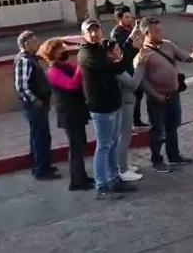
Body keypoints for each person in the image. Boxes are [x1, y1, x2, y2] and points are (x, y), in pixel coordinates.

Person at [78, 19, 137, 199]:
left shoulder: (100, 48)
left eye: (97, 30)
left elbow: (115, 59)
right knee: (103, 146)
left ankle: (114, 179)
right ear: (84, 35)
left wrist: (122, 48)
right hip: (101, 106)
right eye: (90, 31)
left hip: (113, 102)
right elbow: (112, 65)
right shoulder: (87, 53)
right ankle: (101, 185)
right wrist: (126, 52)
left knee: (112, 144)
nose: (94, 34)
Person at [138, 16, 193, 173]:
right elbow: (141, 80)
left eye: (160, 29)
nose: (160, 32)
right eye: (156, 31)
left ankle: (174, 156)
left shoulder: (168, 45)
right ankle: (156, 160)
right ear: (147, 33)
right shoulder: (142, 53)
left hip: (173, 94)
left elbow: (187, 58)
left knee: (173, 126)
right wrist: (155, 95)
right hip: (157, 98)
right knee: (157, 129)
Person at [39, 39, 93, 190]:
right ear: (52, 53)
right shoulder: (52, 71)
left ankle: (82, 175)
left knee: (80, 144)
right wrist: (80, 68)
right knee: (75, 147)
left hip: (77, 109)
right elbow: (71, 84)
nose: (63, 51)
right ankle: (77, 180)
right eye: (59, 49)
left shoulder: (65, 66)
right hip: (68, 112)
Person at [14, 31, 60, 181]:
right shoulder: (24, 60)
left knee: (39, 136)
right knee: (40, 136)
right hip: (34, 105)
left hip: (39, 104)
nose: (37, 43)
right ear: (26, 43)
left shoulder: (31, 59)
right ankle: (42, 169)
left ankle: (42, 164)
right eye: (34, 41)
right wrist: (35, 100)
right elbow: (22, 86)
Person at [105, 39, 146, 183]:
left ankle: (122, 164)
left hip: (126, 102)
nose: (119, 52)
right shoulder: (115, 68)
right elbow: (133, 84)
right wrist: (141, 66)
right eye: (116, 50)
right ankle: (122, 169)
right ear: (109, 54)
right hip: (124, 104)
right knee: (124, 137)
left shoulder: (116, 65)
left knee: (122, 137)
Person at [111, 6, 147, 128]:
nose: (130, 19)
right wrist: (132, 37)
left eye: (130, 16)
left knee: (139, 93)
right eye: (126, 17)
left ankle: (137, 119)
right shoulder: (117, 32)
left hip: (136, 63)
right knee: (129, 95)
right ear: (119, 19)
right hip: (125, 67)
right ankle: (129, 121)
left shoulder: (131, 29)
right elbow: (121, 50)